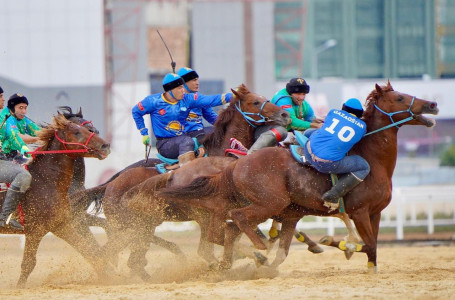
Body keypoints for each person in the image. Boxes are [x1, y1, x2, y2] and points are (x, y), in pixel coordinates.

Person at [132, 73, 233, 166]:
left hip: (183, 137)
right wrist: (144, 132)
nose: (183, 90)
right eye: (180, 88)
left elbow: (210, 100)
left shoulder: (187, 99)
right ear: (170, 90)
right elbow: (136, 111)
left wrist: (232, 96)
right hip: (165, 144)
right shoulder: (153, 101)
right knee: (187, 141)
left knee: (216, 132)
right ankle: (187, 175)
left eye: (183, 87)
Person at [302, 98, 370, 211]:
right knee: (364, 166)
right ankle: (333, 194)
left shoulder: (333, 112)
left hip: (307, 150)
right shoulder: (362, 127)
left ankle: (296, 148)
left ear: (344, 108)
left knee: (310, 132)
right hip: (325, 165)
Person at [0, 92, 37, 230]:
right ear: (12, 107)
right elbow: (14, 136)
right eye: (20, 107)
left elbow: (37, 131)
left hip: (8, 158)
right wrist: (25, 149)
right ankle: (7, 217)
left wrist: (52, 134)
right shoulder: (6, 118)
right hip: (6, 159)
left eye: (25, 107)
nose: (3, 98)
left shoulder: (17, 118)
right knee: (23, 175)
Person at [177, 67, 218, 144]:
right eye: (194, 80)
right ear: (184, 83)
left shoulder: (199, 99)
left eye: (197, 80)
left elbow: (212, 117)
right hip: (183, 138)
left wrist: (228, 124)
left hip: (199, 133)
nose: (197, 83)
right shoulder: (175, 100)